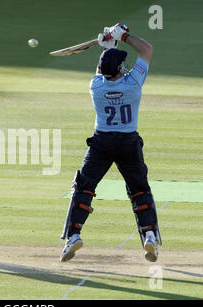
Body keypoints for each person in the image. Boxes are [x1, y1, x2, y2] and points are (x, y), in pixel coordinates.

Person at [60, 23, 161, 263]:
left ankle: (73, 236)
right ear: (119, 68)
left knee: (84, 187)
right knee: (139, 190)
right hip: (128, 143)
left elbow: (100, 69)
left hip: (102, 143)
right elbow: (146, 48)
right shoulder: (133, 83)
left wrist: (107, 46)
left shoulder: (96, 86)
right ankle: (149, 236)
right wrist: (122, 36)